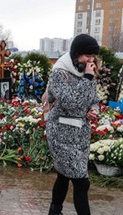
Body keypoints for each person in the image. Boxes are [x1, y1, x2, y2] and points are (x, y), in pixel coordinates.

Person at [46, 34, 100, 215]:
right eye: (87, 56)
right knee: (81, 182)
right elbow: (71, 102)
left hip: (80, 134)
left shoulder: (88, 74)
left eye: (93, 56)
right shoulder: (59, 73)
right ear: (76, 54)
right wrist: (87, 78)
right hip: (61, 132)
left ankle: (54, 211)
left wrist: (93, 110)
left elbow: (94, 99)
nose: (91, 60)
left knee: (63, 176)